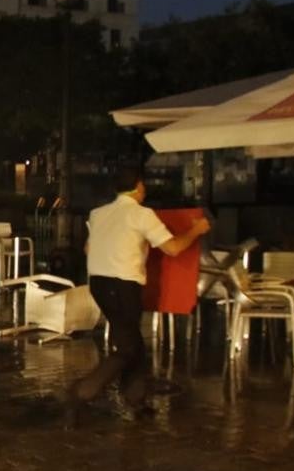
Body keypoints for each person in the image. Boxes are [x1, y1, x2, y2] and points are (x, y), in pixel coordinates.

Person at [65, 167, 210, 427]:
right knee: (129, 346)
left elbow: (88, 248)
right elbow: (173, 248)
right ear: (138, 186)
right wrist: (197, 230)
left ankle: (137, 400)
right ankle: (83, 390)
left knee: (132, 341)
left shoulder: (98, 214)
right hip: (123, 285)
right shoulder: (142, 215)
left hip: (98, 283)